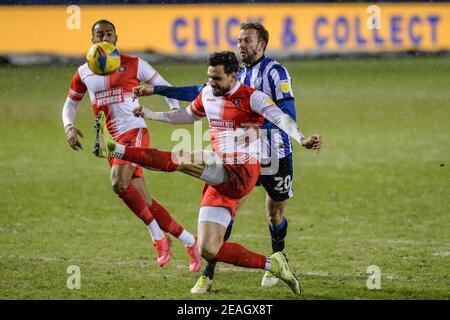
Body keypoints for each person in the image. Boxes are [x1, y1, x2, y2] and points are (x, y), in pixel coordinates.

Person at [94, 51, 322, 295]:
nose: (211, 83)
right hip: (219, 175)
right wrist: (151, 114)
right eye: (209, 77)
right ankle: (273, 264)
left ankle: (115, 148)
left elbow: (280, 118)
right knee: (209, 248)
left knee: (181, 157)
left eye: (217, 78)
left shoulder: (251, 97)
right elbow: (186, 115)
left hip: (241, 171)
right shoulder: (207, 93)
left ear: (234, 77)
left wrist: (302, 139)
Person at [61, 19, 201, 271]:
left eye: (108, 34)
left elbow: (165, 88)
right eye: (99, 34)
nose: (104, 37)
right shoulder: (84, 72)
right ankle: (190, 242)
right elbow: (70, 103)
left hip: (133, 131)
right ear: (92, 39)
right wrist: (69, 126)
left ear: (116, 37)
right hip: (109, 141)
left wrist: (175, 115)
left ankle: (158, 237)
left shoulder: (134, 63)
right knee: (143, 200)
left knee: (118, 182)